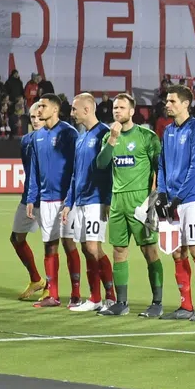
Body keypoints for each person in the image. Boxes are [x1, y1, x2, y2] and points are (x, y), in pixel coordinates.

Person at [97, 93, 164, 318]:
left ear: (132, 111)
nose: (117, 111)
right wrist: (112, 140)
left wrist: (155, 198)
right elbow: (101, 164)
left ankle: (157, 302)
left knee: (150, 250)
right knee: (118, 251)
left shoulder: (147, 136)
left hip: (141, 202)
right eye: (115, 108)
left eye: (122, 108)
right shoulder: (109, 136)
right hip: (118, 202)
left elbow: (159, 167)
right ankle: (122, 302)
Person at [156, 83, 195, 320]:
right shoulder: (168, 131)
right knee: (176, 251)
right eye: (167, 101)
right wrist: (160, 193)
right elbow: (162, 164)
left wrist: (178, 197)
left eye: (172, 101)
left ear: (186, 104)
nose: (167, 105)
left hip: (192, 201)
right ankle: (185, 305)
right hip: (171, 201)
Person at [28, 96, 79, 309]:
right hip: (46, 200)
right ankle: (53, 295)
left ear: (55, 109)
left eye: (43, 106)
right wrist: (32, 197)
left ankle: (76, 294)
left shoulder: (69, 133)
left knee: (69, 244)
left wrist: (71, 196)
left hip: (66, 199)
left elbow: (77, 167)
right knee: (49, 245)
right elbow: (34, 169)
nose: (39, 110)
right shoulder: (37, 136)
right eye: (38, 106)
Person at [64, 94, 113, 312]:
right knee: (85, 248)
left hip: (96, 200)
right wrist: (69, 202)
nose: (72, 113)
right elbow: (75, 174)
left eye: (75, 109)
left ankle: (109, 297)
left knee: (94, 247)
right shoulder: (81, 137)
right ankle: (95, 298)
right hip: (81, 201)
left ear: (87, 109)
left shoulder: (104, 133)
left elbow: (110, 169)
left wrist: (108, 200)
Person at [11, 126, 46, 300]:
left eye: (40, 117)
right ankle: (36, 280)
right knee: (16, 238)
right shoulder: (26, 140)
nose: (36, 121)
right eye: (33, 118)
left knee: (52, 243)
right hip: (28, 198)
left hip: (49, 198)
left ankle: (51, 288)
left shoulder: (55, 137)